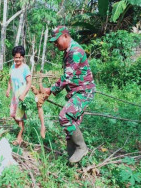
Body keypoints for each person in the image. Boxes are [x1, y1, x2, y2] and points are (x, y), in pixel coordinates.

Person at [44, 26, 96, 163]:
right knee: (70, 127)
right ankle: (72, 162)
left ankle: (81, 147)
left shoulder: (74, 51)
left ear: (65, 36)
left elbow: (67, 76)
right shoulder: (69, 51)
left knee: (64, 116)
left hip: (84, 92)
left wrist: (50, 90)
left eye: (57, 41)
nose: (55, 44)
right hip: (76, 92)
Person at [6, 46, 32, 145]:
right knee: (13, 114)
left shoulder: (25, 68)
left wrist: (24, 94)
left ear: (23, 57)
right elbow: (10, 79)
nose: (17, 59)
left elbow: (29, 82)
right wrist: (8, 89)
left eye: (19, 57)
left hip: (22, 95)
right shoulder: (12, 67)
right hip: (14, 95)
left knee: (19, 117)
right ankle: (22, 128)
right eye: (15, 57)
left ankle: (19, 137)